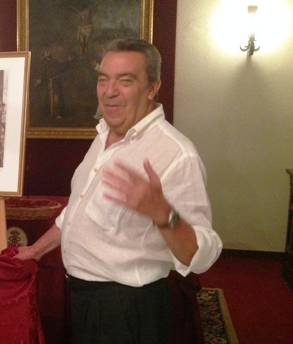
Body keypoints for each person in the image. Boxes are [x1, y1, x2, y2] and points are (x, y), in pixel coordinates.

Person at [15, 38, 223, 344]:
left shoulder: (176, 154)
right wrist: (35, 251)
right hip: (84, 300)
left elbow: (203, 255)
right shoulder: (103, 136)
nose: (109, 91)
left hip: (128, 309)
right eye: (103, 80)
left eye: (125, 81)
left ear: (152, 88)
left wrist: (163, 214)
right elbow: (77, 212)